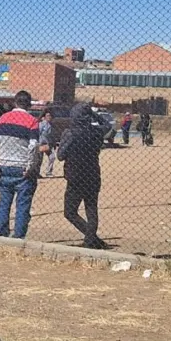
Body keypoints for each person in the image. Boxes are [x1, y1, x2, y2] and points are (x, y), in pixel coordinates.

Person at [0, 90, 44, 238]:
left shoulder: (3, 118)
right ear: (28, 105)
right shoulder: (32, 121)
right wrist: (30, 166)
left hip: (4, 165)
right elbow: (33, 146)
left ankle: (2, 233)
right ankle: (18, 236)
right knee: (22, 205)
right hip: (22, 167)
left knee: (4, 203)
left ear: (15, 102)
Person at [58, 103, 108, 249]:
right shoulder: (97, 132)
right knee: (91, 209)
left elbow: (60, 155)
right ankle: (92, 240)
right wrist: (93, 114)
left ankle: (91, 239)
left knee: (70, 212)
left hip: (75, 176)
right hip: (93, 174)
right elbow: (107, 126)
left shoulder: (70, 133)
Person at [39, 110, 56, 178]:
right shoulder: (41, 124)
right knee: (39, 160)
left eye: (50, 116)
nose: (49, 117)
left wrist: (54, 144)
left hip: (48, 144)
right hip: (41, 144)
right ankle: (37, 173)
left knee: (52, 157)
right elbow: (38, 133)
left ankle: (49, 172)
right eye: (48, 116)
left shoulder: (51, 125)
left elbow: (52, 136)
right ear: (44, 117)